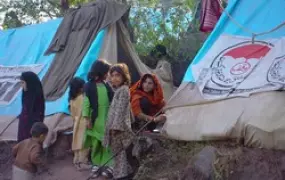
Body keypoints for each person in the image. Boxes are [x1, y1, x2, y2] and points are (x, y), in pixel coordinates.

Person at [103, 63, 136, 180]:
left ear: (124, 76)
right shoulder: (120, 89)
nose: (114, 78)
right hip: (115, 127)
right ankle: (125, 173)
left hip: (118, 129)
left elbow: (121, 110)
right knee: (119, 154)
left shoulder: (124, 90)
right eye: (112, 75)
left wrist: (115, 127)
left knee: (119, 154)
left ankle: (122, 176)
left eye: (117, 75)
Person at [83, 60, 114, 177]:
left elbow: (113, 99)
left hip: (106, 119)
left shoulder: (106, 85)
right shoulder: (89, 86)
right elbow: (86, 103)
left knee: (107, 142)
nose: (108, 75)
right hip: (95, 120)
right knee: (96, 143)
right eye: (106, 72)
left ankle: (107, 164)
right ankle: (96, 164)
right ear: (101, 72)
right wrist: (86, 119)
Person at [68, 77, 90, 170]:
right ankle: (83, 163)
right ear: (80, 88)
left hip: (76, 122)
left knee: (76, 142)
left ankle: (76, 161)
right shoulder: (83, 97)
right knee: (84, 143)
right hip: (84, 122)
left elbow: (72, 114)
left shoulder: (72, 99)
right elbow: (87, 110)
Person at [18, 71, 45, 142]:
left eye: (23, 83)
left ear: (30, 83)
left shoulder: (36, 97)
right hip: (23, 128)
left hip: (32, 129)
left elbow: (37, 115)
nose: (21, 86)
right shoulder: (25, 94)